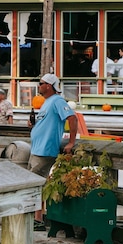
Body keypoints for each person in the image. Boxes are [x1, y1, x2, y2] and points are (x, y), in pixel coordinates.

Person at [28, 73, 78, 228]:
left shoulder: (57, 101)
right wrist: (33, 126)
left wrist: (71, 142)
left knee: (33, 184)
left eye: (41, 83)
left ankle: (38, 220)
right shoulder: (46, 102)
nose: (39, 85)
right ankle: (37, 218)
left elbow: (72, 118)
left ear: (48, 85)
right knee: (35, 183)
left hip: (46, 150)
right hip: (37, 149)